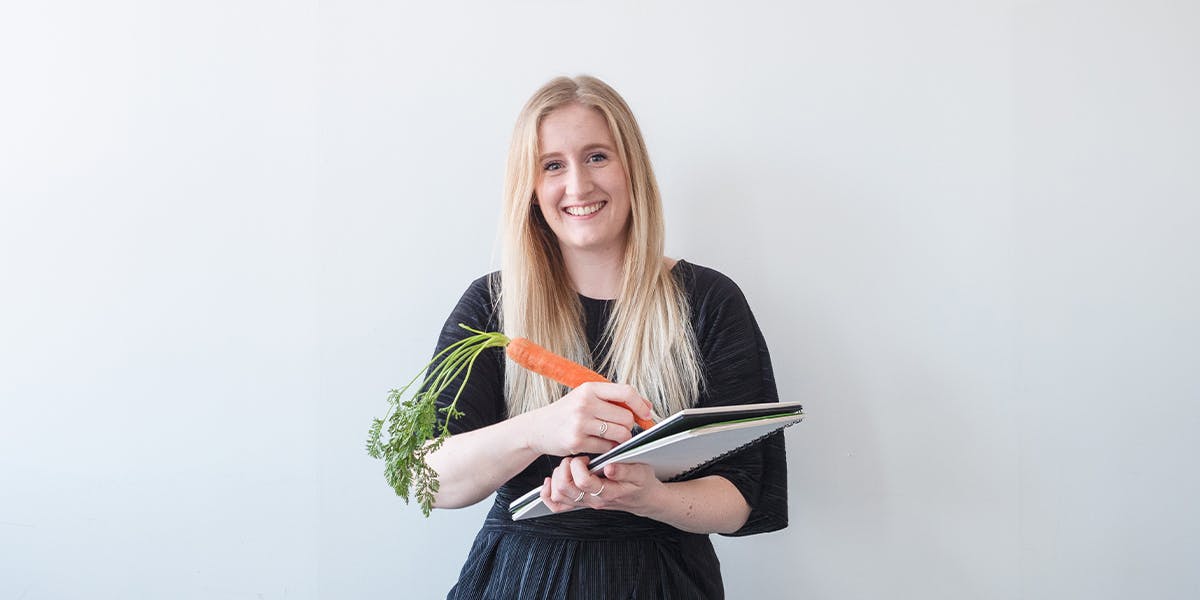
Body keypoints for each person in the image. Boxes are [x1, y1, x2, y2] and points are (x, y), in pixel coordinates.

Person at [423, 75, 787, 599]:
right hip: (520, 580)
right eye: (552, 165)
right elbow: (425, 480)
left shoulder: (709, 300)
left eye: (597, 156)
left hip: (662, 579)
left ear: (631, 168)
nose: (578, 185)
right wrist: (537, 431)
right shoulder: (492, 306)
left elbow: (743, 496)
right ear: (529, 188)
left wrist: (650, 497)